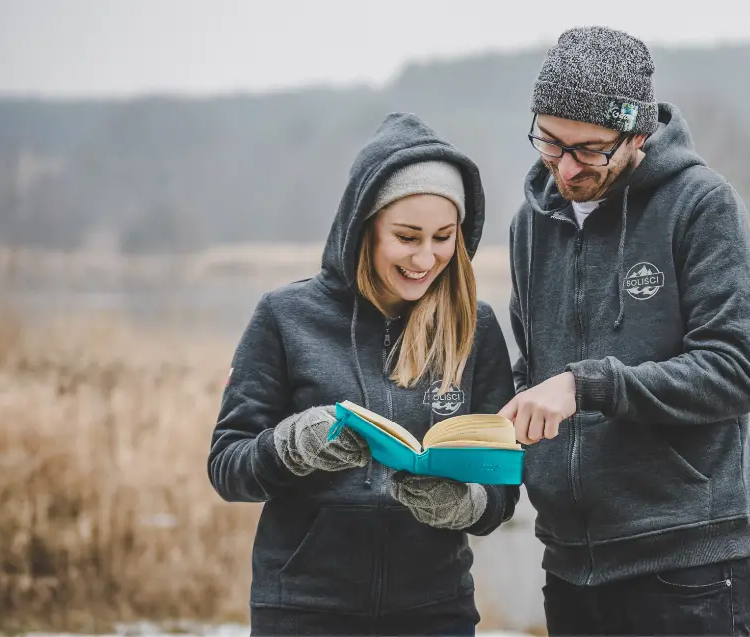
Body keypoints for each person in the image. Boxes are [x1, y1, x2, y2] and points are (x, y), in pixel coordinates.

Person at [499, 26, 750, 636]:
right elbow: (532, 373)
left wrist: (586, 385)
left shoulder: (702, 205)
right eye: (550, 141)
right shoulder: (529, 225)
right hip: (570, 565)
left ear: (637, 134)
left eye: (589, 149)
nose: (565, 167)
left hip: (687, 569)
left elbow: (734, 373)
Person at [207, 112, 519, 637]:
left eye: (444, 237)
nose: (427, 257)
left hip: (436, 609)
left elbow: (504, 491)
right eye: (406, 236)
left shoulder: (475, 327)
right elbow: (228, 467)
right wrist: (291, 446)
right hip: (304, 608)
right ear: (364, 227)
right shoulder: (285, 317)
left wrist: (465, 505)